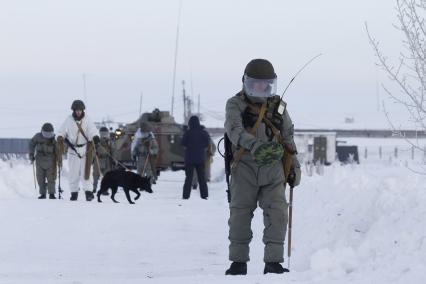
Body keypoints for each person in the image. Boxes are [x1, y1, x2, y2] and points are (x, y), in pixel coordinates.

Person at [224, 59, 301, 275]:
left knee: (278, 213)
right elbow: (234, 130)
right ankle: (238, 263)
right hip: (244, 167)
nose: (260, 88)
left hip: (273, 170)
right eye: (255, 84)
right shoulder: (234, 104)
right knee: (240, 214)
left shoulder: (278, 106)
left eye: (264, 84)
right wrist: (253, 145)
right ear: (246, 83)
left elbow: (288, 137)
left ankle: (273, 263)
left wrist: (294, 166)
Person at [57, 99, 100, 201]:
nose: (78, 112)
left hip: (86, 149)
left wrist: (95, 137)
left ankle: (88, 192)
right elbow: (61, 131)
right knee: (73, 173)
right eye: (76, 110)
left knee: (87, 172)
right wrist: (60, 137)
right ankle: (74, 193)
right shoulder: (68, 120)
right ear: (73, 110)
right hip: (73, 149)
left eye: (80, 110)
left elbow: (92, 131)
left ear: (83, 110)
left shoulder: (88, 119)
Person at [181, 115, 210, 199]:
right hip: (200, 158)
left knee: (188, 179)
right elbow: (207, 143)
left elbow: (183, 143)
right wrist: (201, 147)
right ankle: (204, 195)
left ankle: (185, 196)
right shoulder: (203, 132)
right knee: (202, 179)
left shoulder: (188, 132)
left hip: (189, 159)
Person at [29, 123, 59, 199]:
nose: (48, 135)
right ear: (42, 131)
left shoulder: (55, 138)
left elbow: (58, 150)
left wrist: (59, 159)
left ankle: (51, 194)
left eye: (50, 133)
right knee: (40, 178)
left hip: (51, 161)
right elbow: (31, 144)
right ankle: (43, 194)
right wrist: (31, 156)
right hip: (39, 161)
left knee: (51, 178)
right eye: (46, 133)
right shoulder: (37, 136)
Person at [92, 126, 114, 193]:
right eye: (102, 133)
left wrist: (113, 159)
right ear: (100, 133)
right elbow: (92, 150)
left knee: (106, 176)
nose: (104, 135)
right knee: (95, 175)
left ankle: (105, 189)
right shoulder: (97, 141)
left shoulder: (109, 142)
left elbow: (113, 150)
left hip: (106, 160)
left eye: (105, 133)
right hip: (98, 159)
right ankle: (94, 188)